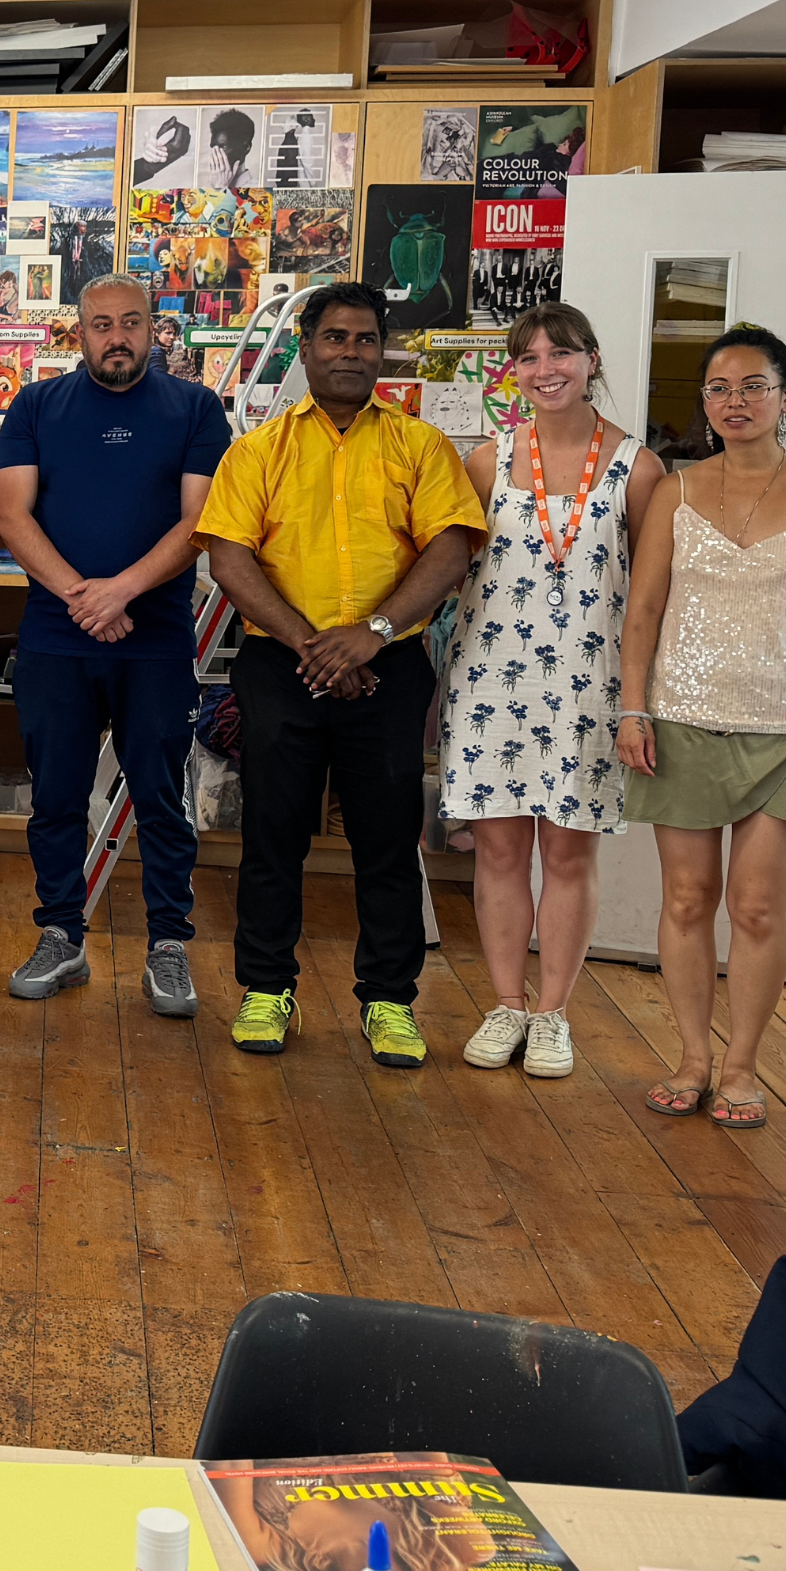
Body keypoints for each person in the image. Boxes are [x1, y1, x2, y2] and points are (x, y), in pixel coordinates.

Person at [196, 283, 488, 1067]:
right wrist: (314, 646)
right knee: (272, 834)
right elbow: (229, 558)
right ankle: (266, 990)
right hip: (279, 664)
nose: (350, 352)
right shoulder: (258, 449)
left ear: (382, 349)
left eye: (364, 339)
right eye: (334, 338)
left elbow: (450, 552)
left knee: (387, 840)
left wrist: (373, 633)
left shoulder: (422, 447)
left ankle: (390, 1002)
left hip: (388, 666)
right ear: (305, 346)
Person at [615, 323, 786, 1128]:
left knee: (758, 906)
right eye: (721, 388)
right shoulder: (677, 490)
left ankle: (741, 1066)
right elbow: (645, 609)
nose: (736, 401)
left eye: (754, 386)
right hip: (683, 719)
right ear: (704, 402)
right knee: (689, 898)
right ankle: (692, 1057)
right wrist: (632, 706)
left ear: (785, 398)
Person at [0, 275, 232, 1010]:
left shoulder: (194, 407)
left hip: (155, 639)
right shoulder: (36, 404)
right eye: (101, 324)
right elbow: (10, 515)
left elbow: (199, 523)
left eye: (131, 323)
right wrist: (83, 596)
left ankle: (168, 946)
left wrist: (121, 590)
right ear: (80, 331)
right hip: (57, 639)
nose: (117, 337)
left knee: (162, 798)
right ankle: (62, 935)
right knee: (57, 798)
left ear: (155, 329)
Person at [441, 302, 664, 1078]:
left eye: (561, 353)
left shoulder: (637, 466)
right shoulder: (485, 459)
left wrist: (638, 700)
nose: (546, 369)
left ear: (592, 360)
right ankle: (506, 1003)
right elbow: (454, 571)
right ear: (514, 371)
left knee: (569, 855)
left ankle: (553, 1013)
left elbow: (648, 596)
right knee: (499, 853)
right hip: (493, 676)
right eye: (529, 356)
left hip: (589, 686)